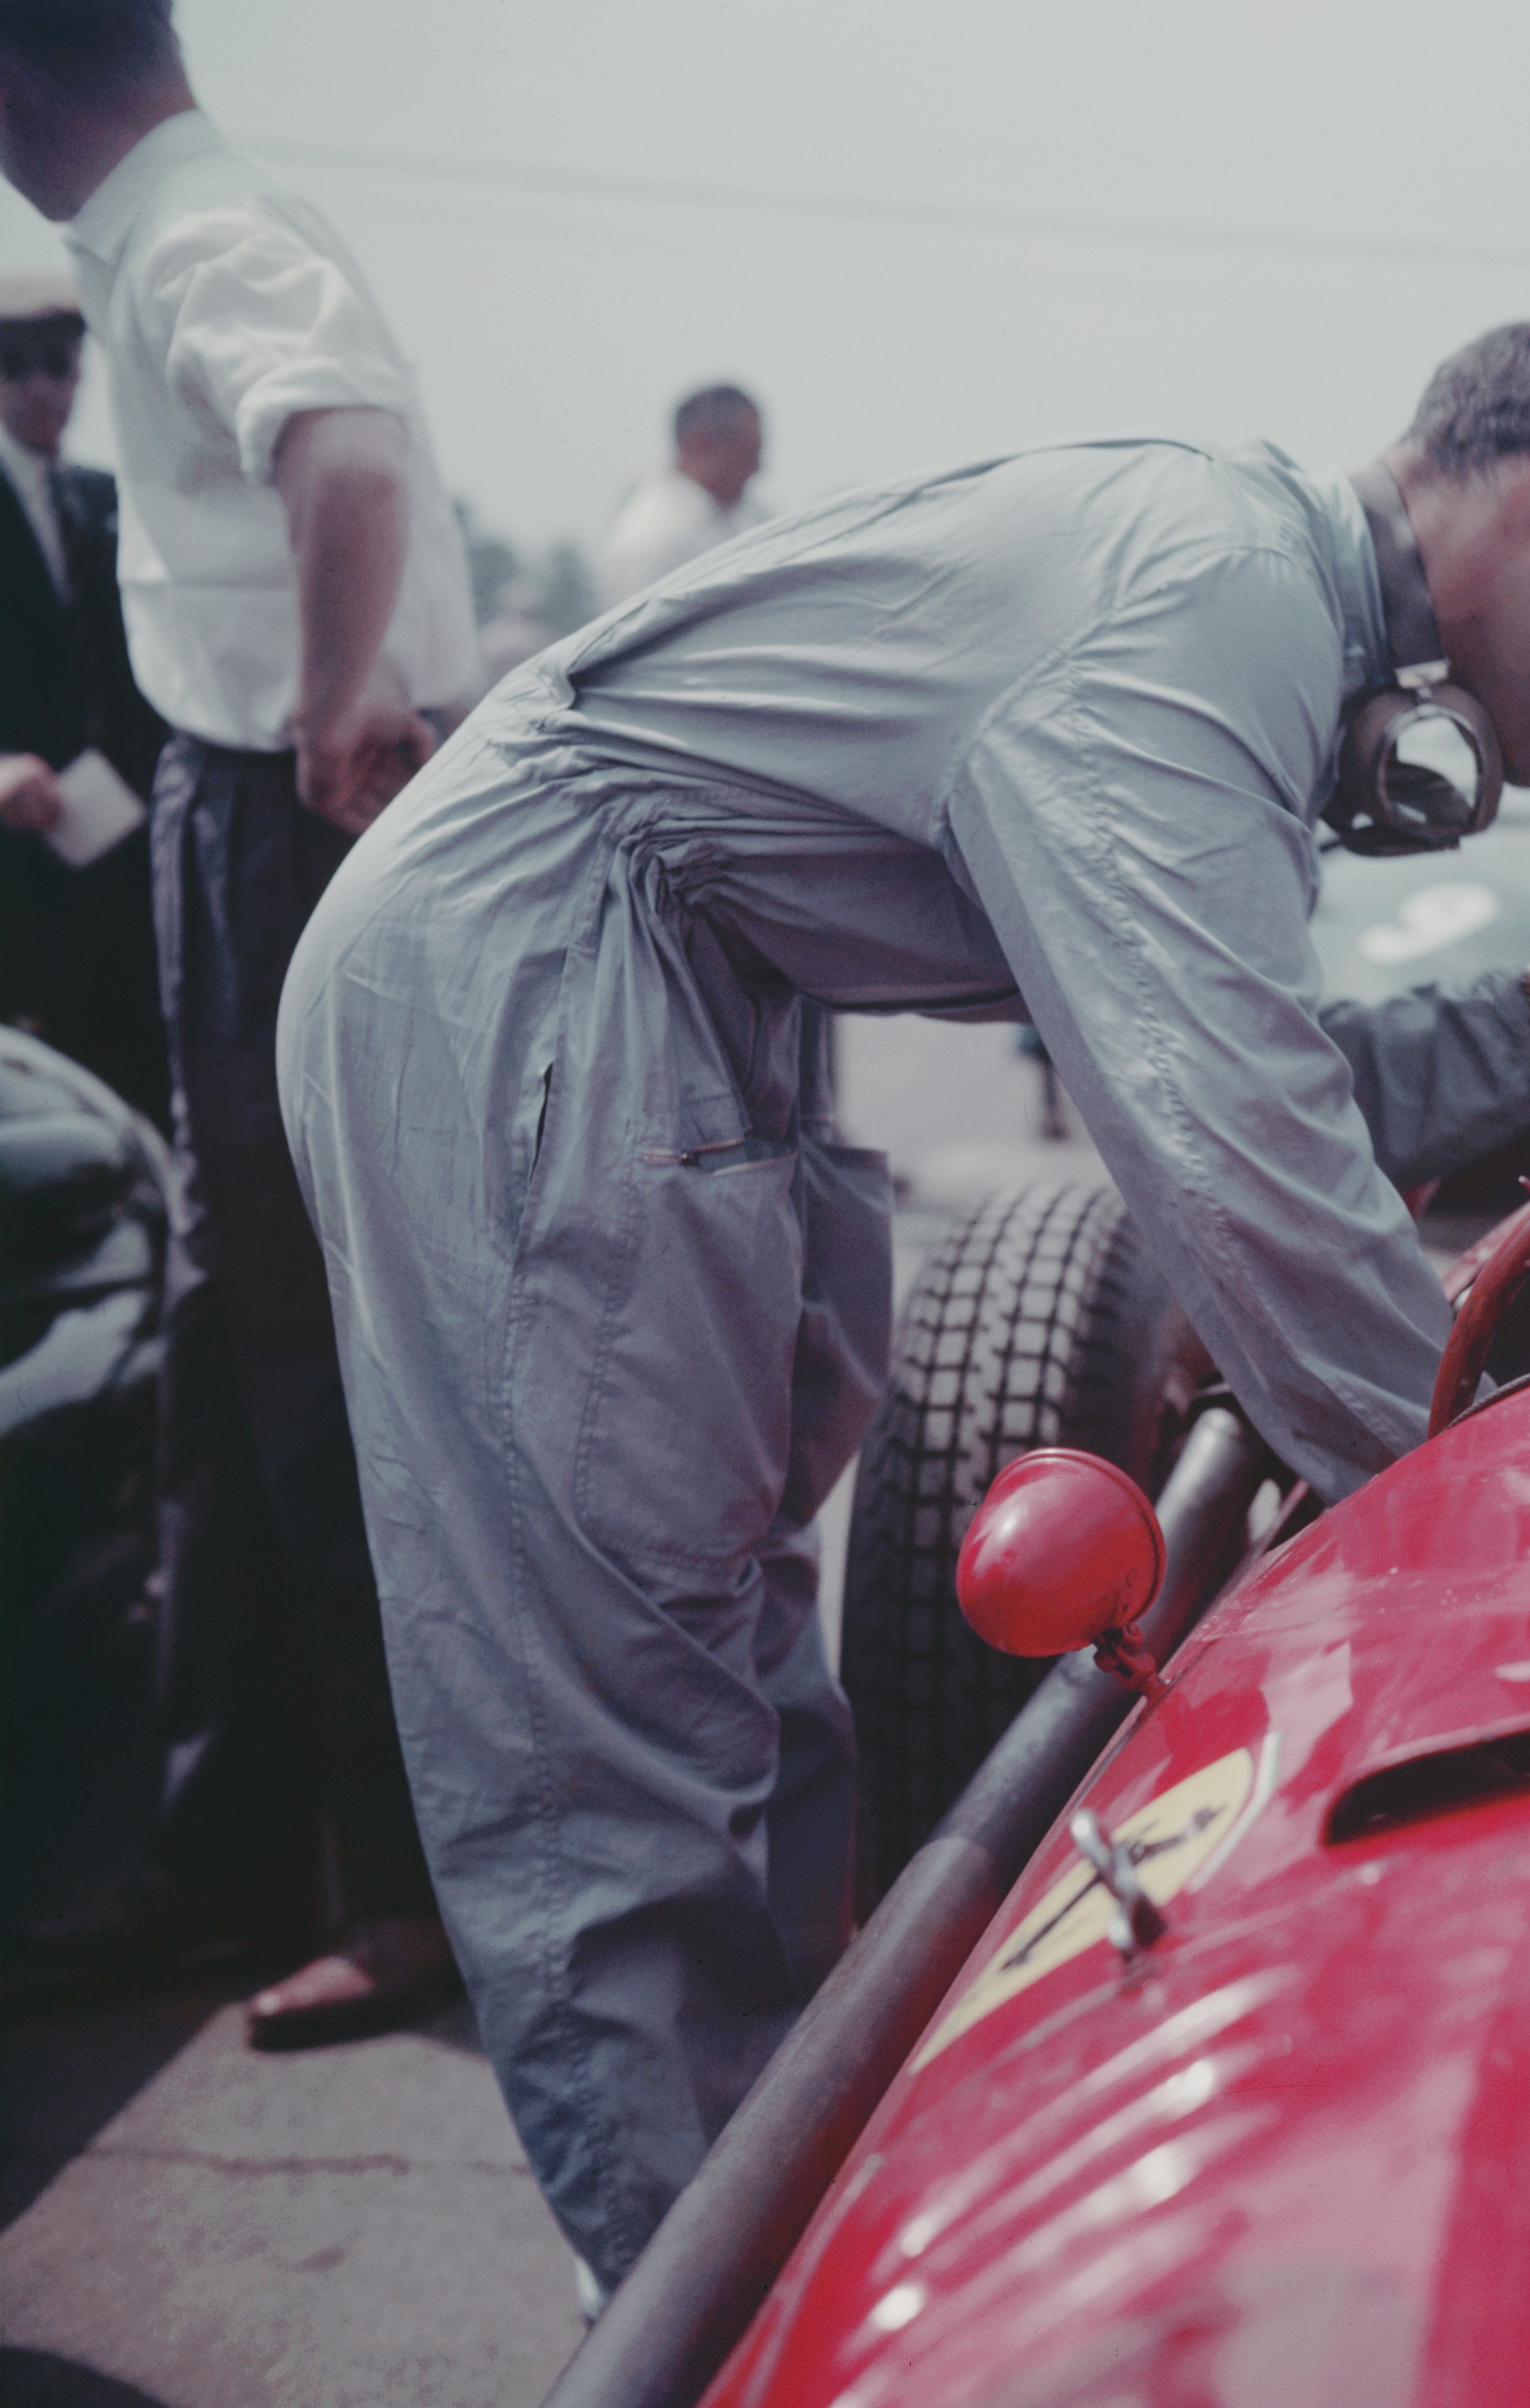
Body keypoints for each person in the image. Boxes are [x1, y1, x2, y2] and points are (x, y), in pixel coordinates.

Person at [277, 313, 1530, 2295]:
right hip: (534, 973)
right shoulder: (1207, 607)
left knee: (750, 1724)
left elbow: (1232, 1078)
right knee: (625, 1776)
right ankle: (710, 2327)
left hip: (686, 992)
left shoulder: (1257, 609)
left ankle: (804, 2251)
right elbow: (1251, 1184)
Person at [0, 0, 471, 2046]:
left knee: (310, 1379)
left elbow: (342, 443)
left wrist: (324, 707)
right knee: (224, 1364)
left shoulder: (192, 226)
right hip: (235, 810)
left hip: (274, 819)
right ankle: (228, 1855)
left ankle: (405, 1884)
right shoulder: (167, 228)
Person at [0, 264, 169, 1125]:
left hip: (119, 850)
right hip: (16, 864)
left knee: (133, 1089)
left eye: (59, 362)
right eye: (14, 364)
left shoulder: (107, 500)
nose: (41, 387)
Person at [593, 381, 765, 608]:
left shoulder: (730, 519)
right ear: (701, 443)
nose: (758, 469)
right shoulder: (656, 537)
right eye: (748, 453)